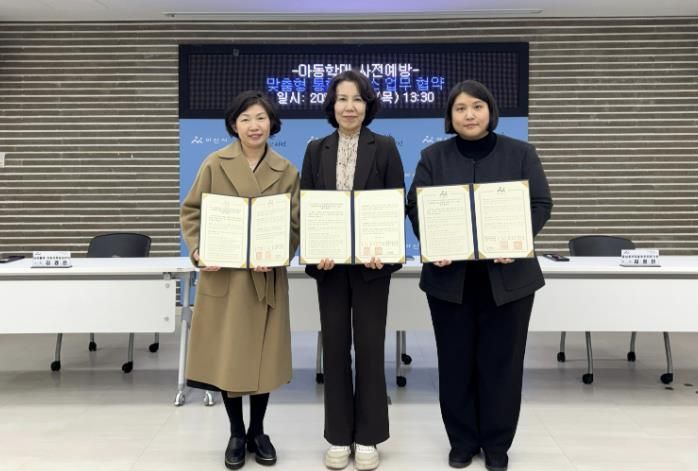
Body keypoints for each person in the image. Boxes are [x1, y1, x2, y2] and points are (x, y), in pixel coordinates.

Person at [406, 80, 553, 471]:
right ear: (450, 116)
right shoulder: (433, 156)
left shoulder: (520, 153)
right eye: (460, 108)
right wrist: (432, 241)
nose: (469, 115)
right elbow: (416, 206)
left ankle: (497, 444)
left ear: (490, 111)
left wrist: (516, 240)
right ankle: (462, 441)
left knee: (502, 363)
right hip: (449, 280)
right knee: (455, 363)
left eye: (476, 106)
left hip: (509, 280)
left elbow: (540, 203)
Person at [180, 90, 300, 470]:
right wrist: (199, 250)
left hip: (265, 279)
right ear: (234, 125)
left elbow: (294, 224)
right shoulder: (215, 164)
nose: (254, 125)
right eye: (245, 118)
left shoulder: (286, 170)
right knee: (230, 357)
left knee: (263, 360)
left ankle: (258, 431)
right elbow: (192, 211)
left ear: (272, 123)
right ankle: (235, 432)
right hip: (227, 278)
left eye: (261, 118)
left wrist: (278, 253)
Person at [300, 70, 405, 471]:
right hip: (331, 268)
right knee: (335, 348)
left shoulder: (386, 146)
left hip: (371, 268)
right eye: (342, 99)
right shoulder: (316, 150)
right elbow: (309, 205)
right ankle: (339, 435)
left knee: (370, 348)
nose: (349, 107)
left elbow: (395, 205)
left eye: (357, 99)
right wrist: (316, 251)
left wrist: (386, 251)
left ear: (368, 105)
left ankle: (369, 436)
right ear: (332, 106)